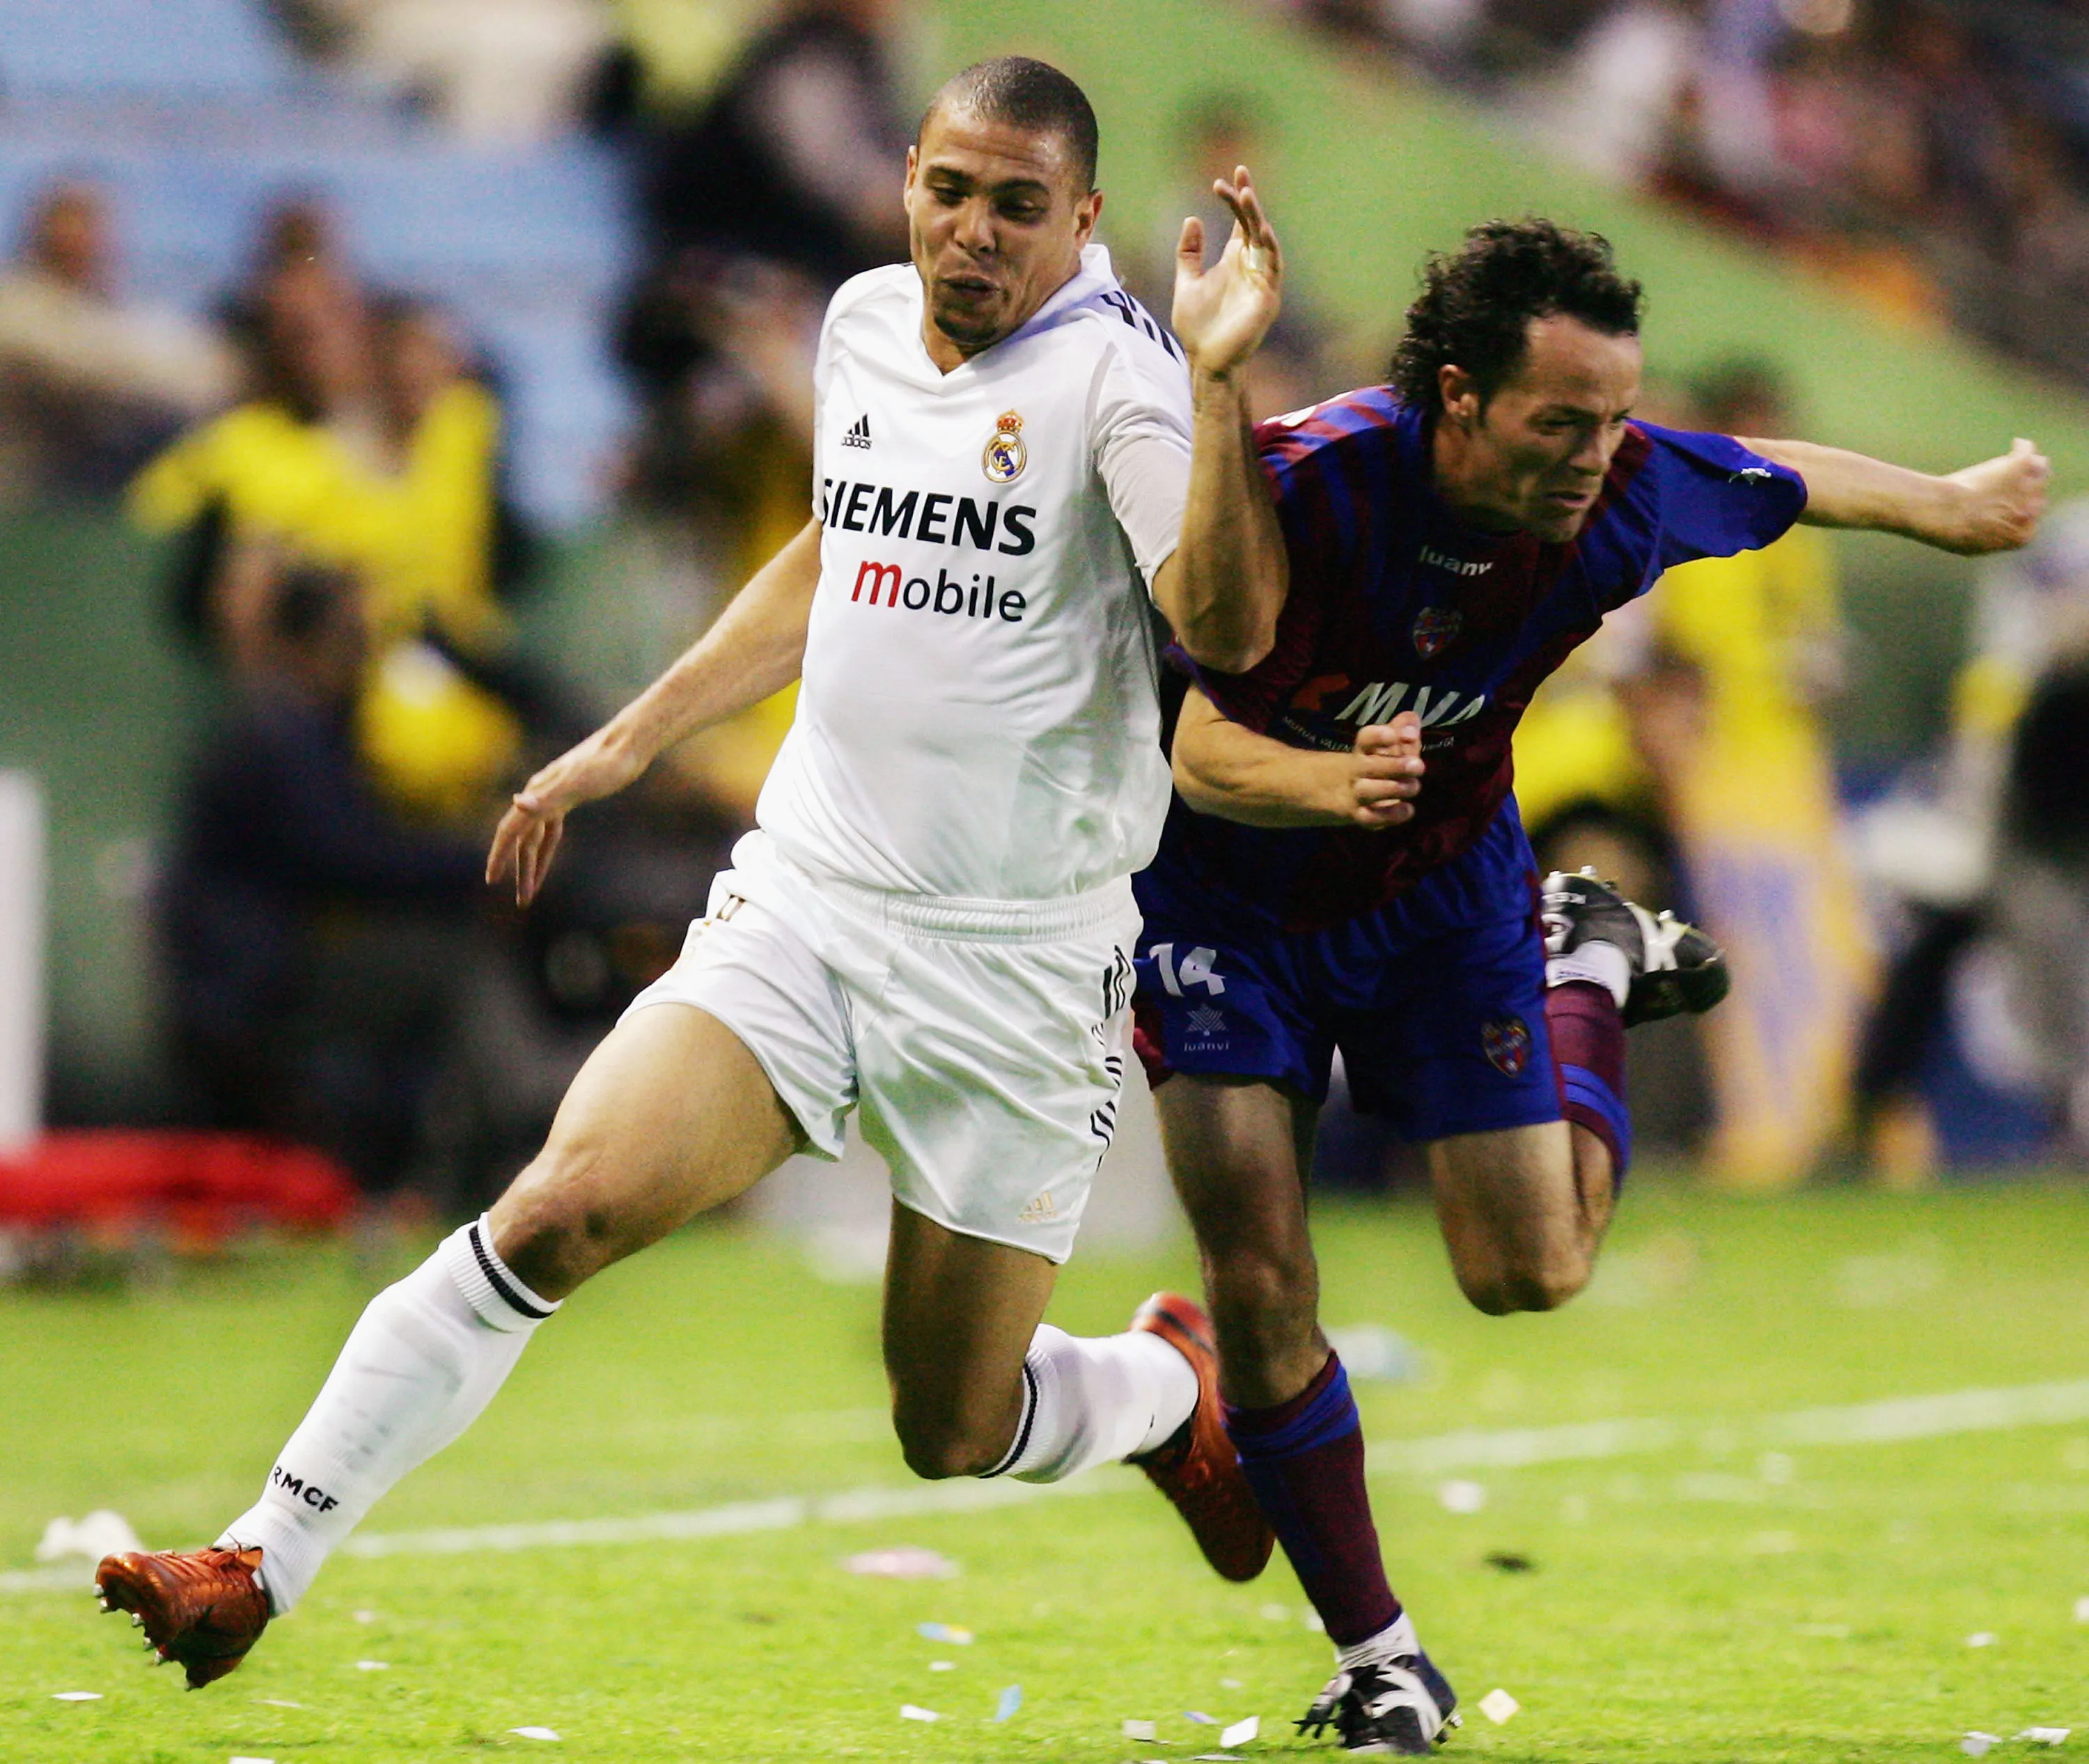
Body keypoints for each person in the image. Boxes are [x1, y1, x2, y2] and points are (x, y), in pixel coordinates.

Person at [93, 55, 1293, 1696]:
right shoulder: (864, 323)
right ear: (909, 188)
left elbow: (1226, 629)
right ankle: (255, 1558)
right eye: (951, 191)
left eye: (1021, 205)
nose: (976, 232)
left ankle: (1162, 1391)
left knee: (954, 1425)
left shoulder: (1128, 386)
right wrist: (633, 735)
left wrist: (1225, 388)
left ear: (1082, 219)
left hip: (1017, 971)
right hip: (810, 907)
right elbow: (837, 539)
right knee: (559, 1210)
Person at [1136, 216, 2049, 1751]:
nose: (1594, 453)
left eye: (1613, 417)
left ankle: (1589, 959)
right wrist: (1321, 781)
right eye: (1561, 420)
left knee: (1529, 1271)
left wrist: (1952, 504)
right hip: (1230, 902)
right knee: (1259, 1275)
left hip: (1442, 899)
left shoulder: (1619, 492)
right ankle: (1383, 1661)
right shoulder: (1314, 481)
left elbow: (1784, 474)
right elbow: (1195, 739)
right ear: (1457, 397)